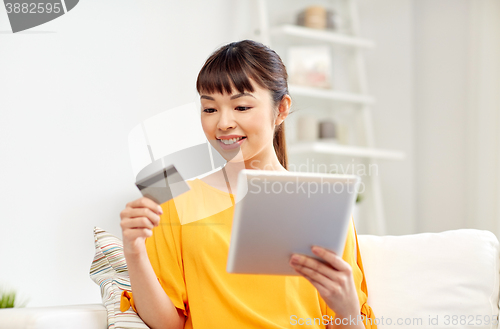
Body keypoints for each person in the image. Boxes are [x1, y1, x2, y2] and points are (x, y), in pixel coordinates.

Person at [119, 39, 377, 329]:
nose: (224, 123)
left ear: (281, 110)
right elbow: (169, 325)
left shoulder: (323, 202)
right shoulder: (169, 195)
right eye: (209, 109)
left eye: (241, 107)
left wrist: (348, 308)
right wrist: (134, 252)